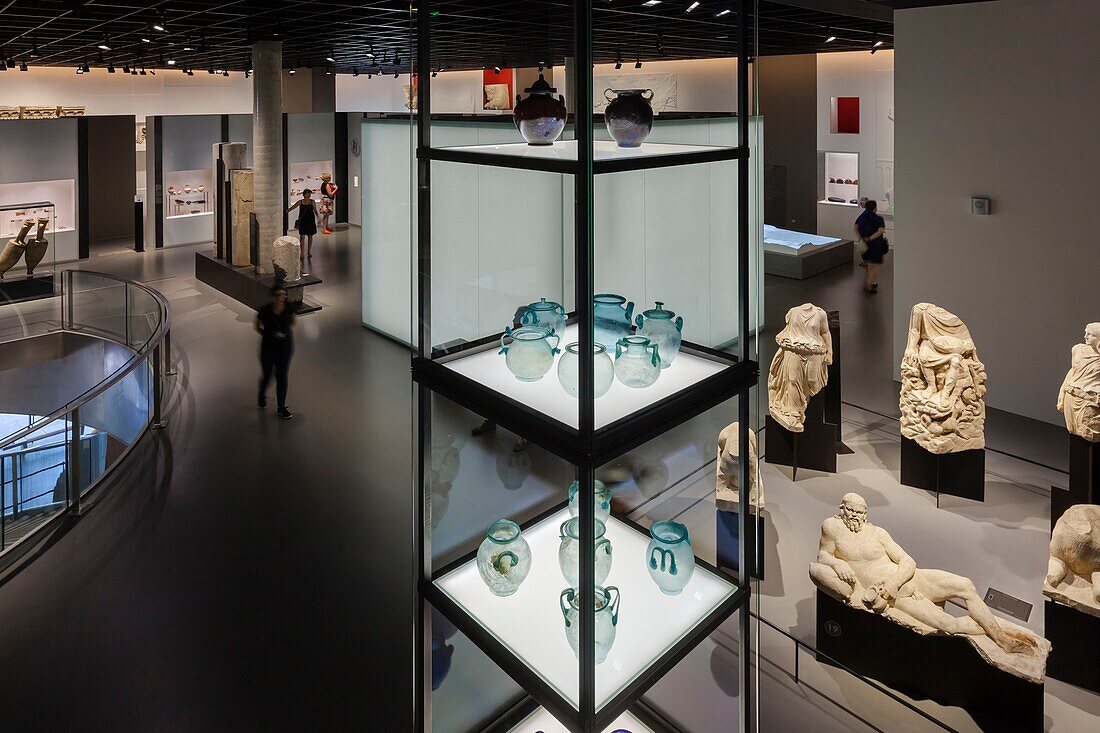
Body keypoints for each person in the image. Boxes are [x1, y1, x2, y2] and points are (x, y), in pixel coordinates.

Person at [810, 493, 1037, 656]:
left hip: (907, 580)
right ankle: (999, 632)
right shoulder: (832, 527)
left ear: (866, 513)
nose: (855, 516)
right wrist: (838, 565)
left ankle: (1001, 638)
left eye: (860, 512)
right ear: (842, 509)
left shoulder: (877, 532)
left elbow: (907, 561)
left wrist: (894, 583)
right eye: (850, 510)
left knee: (965, 585)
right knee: (948, 624)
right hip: (893, 597)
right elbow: (823, 555)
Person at [255, 286, 297, 419]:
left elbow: (294, 322)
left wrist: (284, 334)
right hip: (268, 347)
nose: (283, 297)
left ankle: (281, 406)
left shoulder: (289, 308)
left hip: (285, 346)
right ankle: (262, 393)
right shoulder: (265, 310)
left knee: (282, 374)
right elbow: (256, 325)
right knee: (267, 374)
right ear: (273, 296)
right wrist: (267, 335)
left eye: (284, 294)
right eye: (280, 294)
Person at [854, 199, 887, 293]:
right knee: (874, 265)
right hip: (875, 245)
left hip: (865, 244)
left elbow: (855, 227)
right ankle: (870, 283)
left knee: (870, 265)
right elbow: (880, 231)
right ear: (875, 208)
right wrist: (870, 238)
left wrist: (861, 238)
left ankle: (873, 282)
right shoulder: (879, 219)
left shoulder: (861, 217)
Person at [287, 189, 318, 264]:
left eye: (309, 194)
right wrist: (288, 210)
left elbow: (315, 210)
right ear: (304, 195)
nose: (309, 195)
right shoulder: (300, 202)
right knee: (302, 237)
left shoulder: (312, 202)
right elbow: (293, 207)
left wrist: (318, 217)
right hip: (303, 221)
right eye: (307, 194)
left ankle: (309, 251)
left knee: (310, 236)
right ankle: (302, 253)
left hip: (310, 220)